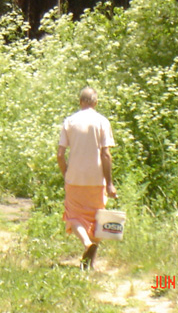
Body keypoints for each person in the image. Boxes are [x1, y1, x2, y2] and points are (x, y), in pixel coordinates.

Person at [57, 87, 117, 270]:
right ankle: (90, 263)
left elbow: (60, 154)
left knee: (73, 216)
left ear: (80, 101)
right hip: (96, 178)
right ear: (95, 102)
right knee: (97, 217)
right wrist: (109, 183)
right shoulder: (102, 122)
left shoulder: (69, 121)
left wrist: (66, 172)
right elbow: (106, 154)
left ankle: (86, 243)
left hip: (75, 177)